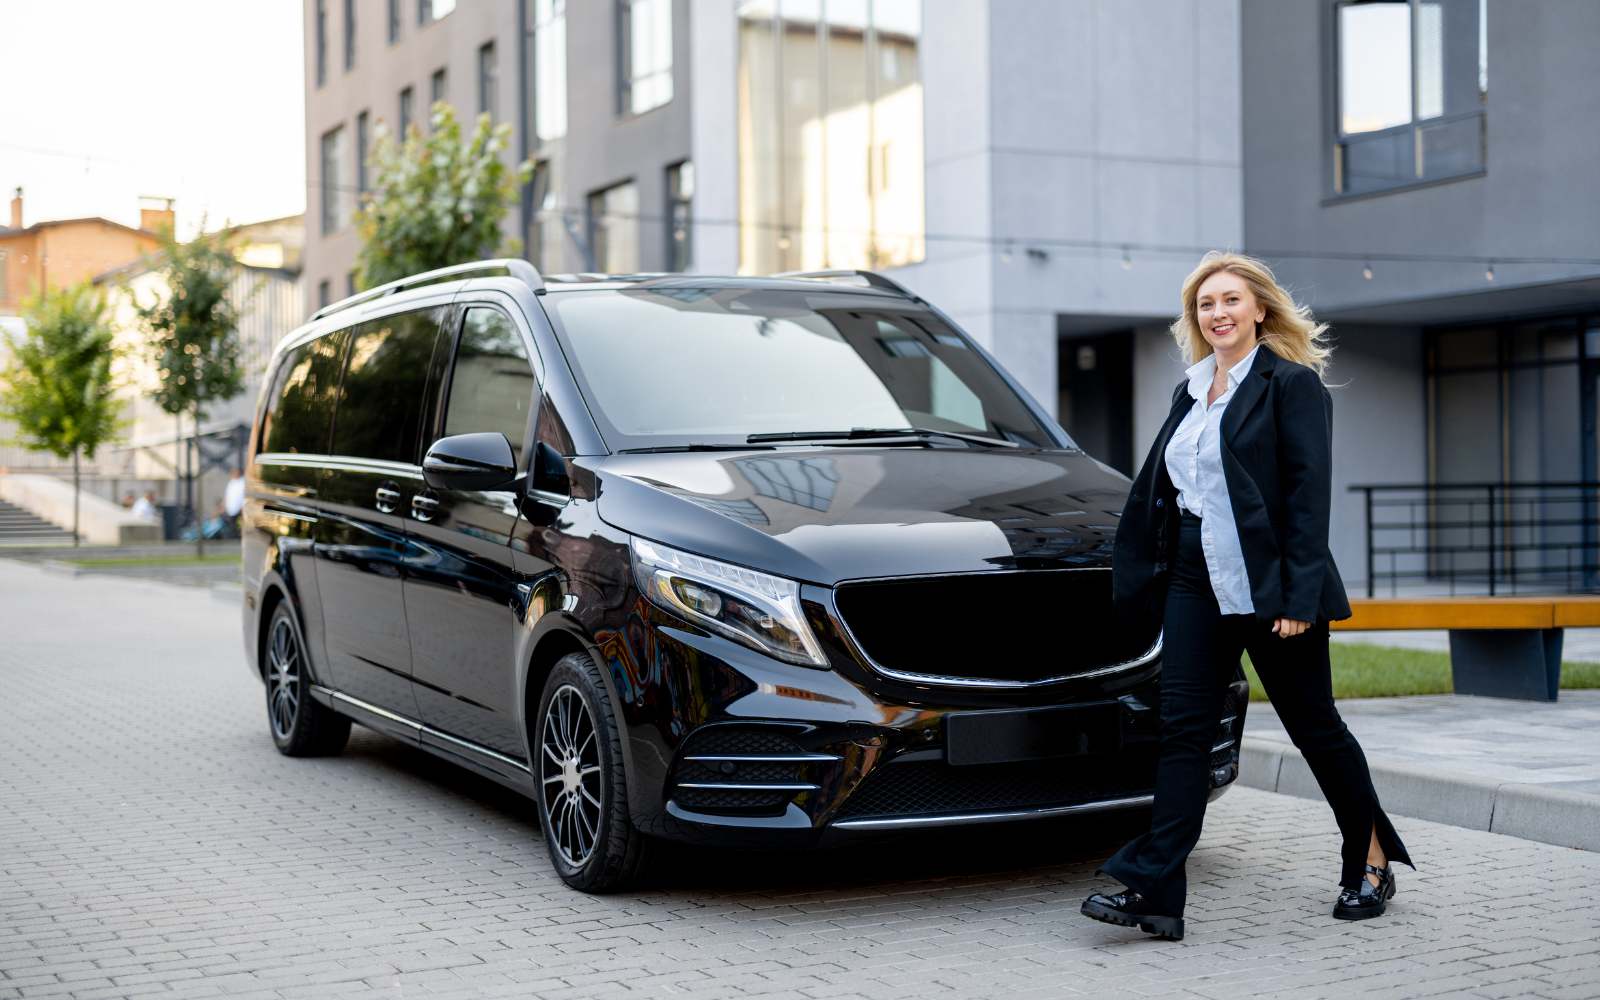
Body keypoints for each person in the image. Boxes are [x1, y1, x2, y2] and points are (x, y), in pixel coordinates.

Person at [1080, 252, 1413, 942]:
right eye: (1206, 304)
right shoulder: (1191, 390)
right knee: (1183, 731)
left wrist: (1295, 594)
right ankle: (1156, 891)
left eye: (1231, 300)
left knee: (1314, 727)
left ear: (1260, 309)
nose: (1218, 314)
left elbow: (1305, 497)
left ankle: (1370, 857)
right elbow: (1172, 493)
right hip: (1196, 578)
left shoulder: (1291, 386)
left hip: (1270, 583)